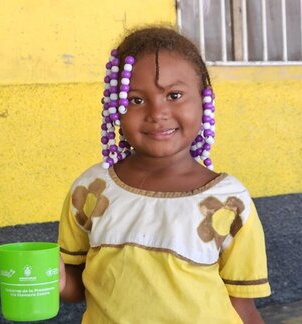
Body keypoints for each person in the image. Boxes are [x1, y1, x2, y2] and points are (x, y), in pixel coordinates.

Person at [58, 26, 271, 323]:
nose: (157, 113)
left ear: (204, 100)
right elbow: (78, 286)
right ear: (114, 107)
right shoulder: (91, 190)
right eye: (135, 100)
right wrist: (58, 281)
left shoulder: (229, 201)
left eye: (174, 94)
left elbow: (242, 307)